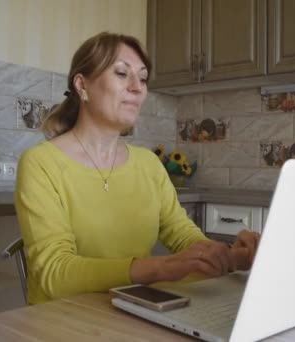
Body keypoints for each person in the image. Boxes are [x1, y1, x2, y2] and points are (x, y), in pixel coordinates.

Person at [14, 32, 259, 305]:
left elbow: (183, 236)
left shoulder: (148, 164)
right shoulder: (40, 163)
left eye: (142, 78)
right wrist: (160, 267)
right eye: (122, 73)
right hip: (61, 320)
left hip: (133, 310)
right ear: (82, 85)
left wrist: (227, 255)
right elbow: (55, 273)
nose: (137, 87)